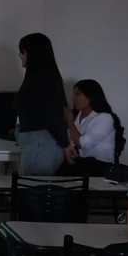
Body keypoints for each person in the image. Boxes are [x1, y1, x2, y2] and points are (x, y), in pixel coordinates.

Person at [15, 33, 74, 176]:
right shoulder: (41, 77)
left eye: (23, 52)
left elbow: (53, 115)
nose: (20, 56)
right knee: (33, 190)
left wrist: (65, 144)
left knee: (34, 192)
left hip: (41, 144)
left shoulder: (44, 79)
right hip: (38, 143)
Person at [58, 79, 124, 177]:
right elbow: (71, 142)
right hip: (81, 165)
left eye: (78, 94)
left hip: (100, 168)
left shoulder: (105, 118)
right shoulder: (77, 115)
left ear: (90, 96)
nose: (73, 99)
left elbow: (82, 144)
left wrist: (70, 121)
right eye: (74, 95)